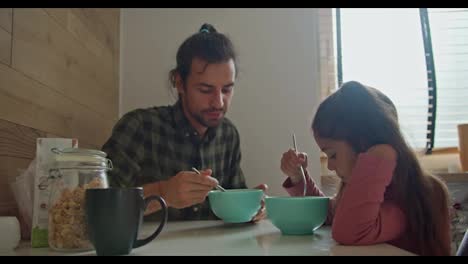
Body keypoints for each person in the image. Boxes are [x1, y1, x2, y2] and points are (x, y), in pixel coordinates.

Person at [102, 23, 267, 222]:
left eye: (227, 89)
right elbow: (97, 206)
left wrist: (250, 208)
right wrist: (163, 192)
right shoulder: (140, 127)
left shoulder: (228, 135)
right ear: (179, 83)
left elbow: (233, 205)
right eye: (205, 90)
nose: (218, 102)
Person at [280, 81, 451, 256]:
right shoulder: (360, 189)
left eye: (332, 155)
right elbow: (328, 215)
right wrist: (299, 178)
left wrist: (380, 155)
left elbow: (349, 231)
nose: (330, 166)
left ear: (364, 145)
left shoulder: (412, 195)